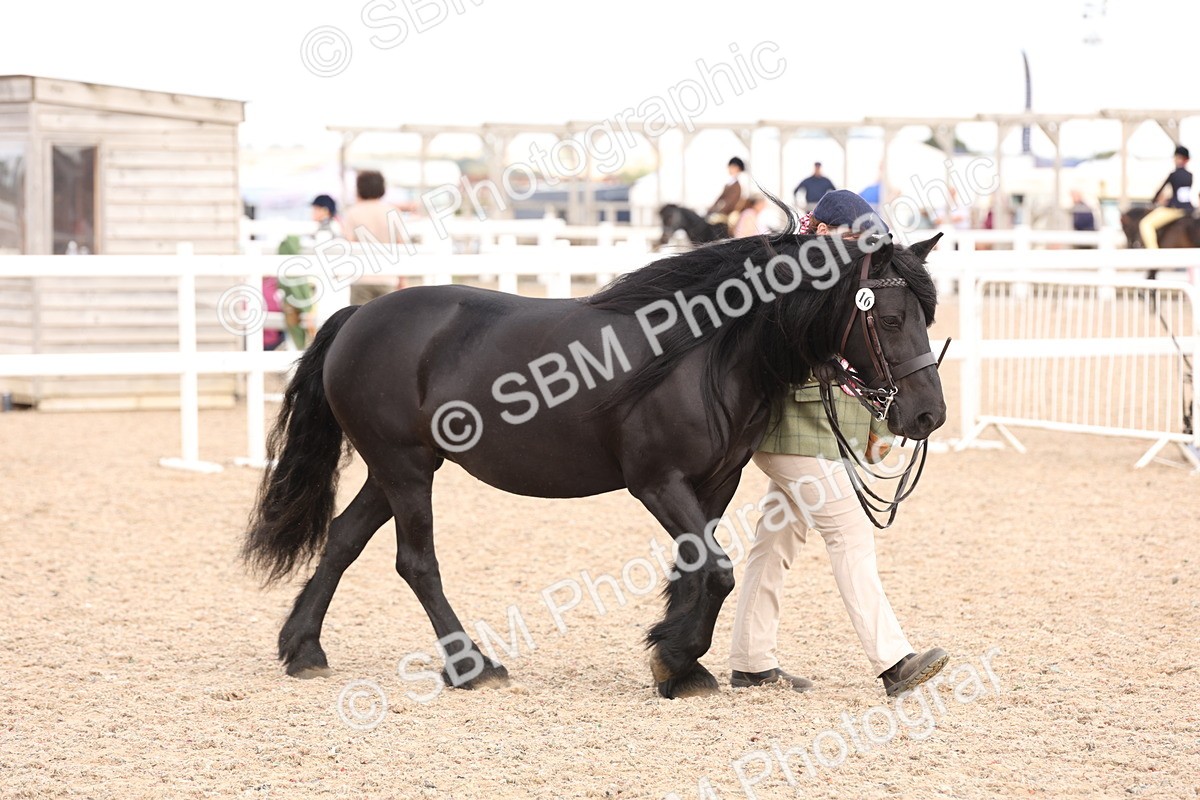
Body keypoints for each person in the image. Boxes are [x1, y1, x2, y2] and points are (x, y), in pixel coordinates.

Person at [728, 189, 949, 698]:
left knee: (776, 541)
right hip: (787, 429)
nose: (860, 253)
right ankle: (894, 660)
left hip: (807, 433)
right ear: (824, 230)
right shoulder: (790, 274)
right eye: (853, 240)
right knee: (850, 532)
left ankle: (751, 661)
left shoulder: (837, 277)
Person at [342, 170, 408, 303]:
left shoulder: (353, 213)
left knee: (360, 321)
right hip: (388, 276)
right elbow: (401, 246)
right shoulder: (392, 211)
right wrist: (403, 279)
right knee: (388, 321)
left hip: (361, 278)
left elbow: (349, 244)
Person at [1139, 145, 1194, 249]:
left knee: (1145, 224)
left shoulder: (1174, 175)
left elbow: (1160, 191)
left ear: (1179, 158)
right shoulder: (1190, 175)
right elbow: (1182, 195)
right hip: (1189, 209)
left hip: (1175, 209)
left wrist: (1154, 201)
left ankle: (1154, 253)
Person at [707, 157, 750, 229]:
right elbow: (720, 198)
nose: (729, 169)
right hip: (723, 211)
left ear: (737, 168)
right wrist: (711, 209)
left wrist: (719, 211)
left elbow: (730, 202)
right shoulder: (729, 183)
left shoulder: (737, 185)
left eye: (731, 167)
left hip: (730, 212)